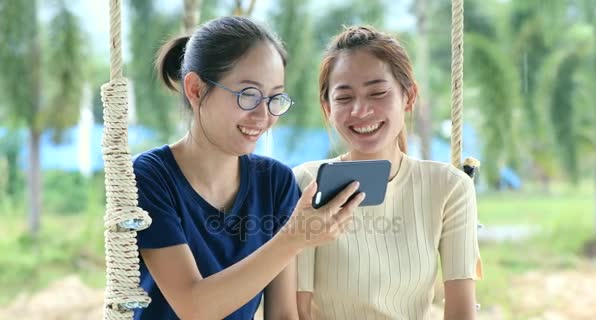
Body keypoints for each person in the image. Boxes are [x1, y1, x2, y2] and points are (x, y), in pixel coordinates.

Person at [132, 16, 365, 320]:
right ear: (196, 89)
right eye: (249, 95)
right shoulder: (151, 175)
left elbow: (282, 314)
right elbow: (193, 307)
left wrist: (294, 237)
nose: (263, 115)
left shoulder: (276, 182)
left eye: (274, 98)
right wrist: (294, 237)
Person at [294, 26, 483, 320]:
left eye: (378, 93)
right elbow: (295, 311)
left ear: (409, 97)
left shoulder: (449, 187)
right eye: (344, 98)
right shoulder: (305, 183)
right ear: (327, 108)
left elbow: (461, 310)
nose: (360, 110)